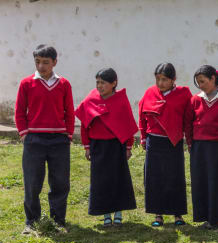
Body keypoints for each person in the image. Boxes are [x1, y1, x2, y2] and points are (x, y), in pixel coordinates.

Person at [15, 45, 74, 233]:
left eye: (45, 62)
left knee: (60, 182)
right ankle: (31, 221)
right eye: (37, 62)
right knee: (32, 182)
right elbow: (19, 112)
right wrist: (24, 134)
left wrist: (69, 134)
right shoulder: (27, 83)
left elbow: (70, 112)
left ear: (55, 62)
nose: (41, 66)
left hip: (59, 140)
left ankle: (58, 220)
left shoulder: (64, 84)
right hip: (34, 140)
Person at [75, 68, 138, 226]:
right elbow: (85, 124)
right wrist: (87, 146)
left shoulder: (121, 100)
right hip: (98, 146)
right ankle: (105, 213)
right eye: (97, 82)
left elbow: (127, 123)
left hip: (116, 145)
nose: (99, 86)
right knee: (100, 181)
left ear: (114, 83)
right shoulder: (91, 99)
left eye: (103, 83)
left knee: (118, 179)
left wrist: (129, 146)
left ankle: (118, 212)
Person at [138, 63, 192, 227]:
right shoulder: (150, 93)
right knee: (155, 178)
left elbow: (188, 118)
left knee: (174, 177)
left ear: (173, 79)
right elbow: (142, 115)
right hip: (154, 141)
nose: (160, 83)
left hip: (173, 141)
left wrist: (189, 140)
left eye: (164, 80)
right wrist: (143, 137)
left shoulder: (183, 94)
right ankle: (158, 214)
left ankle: (178, 214)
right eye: (158, 79)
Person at [184, 65, 218, 230]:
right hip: (199, 148)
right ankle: (206, 216)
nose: (200, 85)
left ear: (213, 79)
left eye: (203, 81)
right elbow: (188, 124)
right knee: (201, 182)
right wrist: (191, 143)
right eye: (198, 82)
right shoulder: (195, 100)